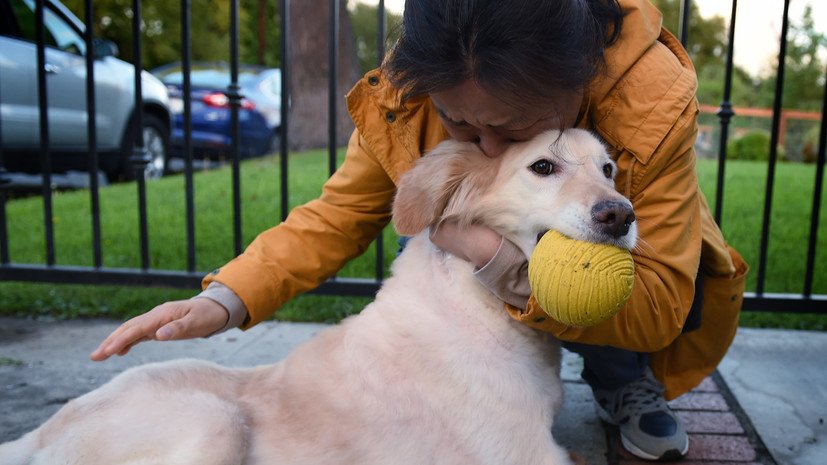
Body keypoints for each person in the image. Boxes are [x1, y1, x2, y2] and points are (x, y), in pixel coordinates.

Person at [91, 0, 747, 461]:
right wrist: (224, 297)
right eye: (461, 122)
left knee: (609, 261)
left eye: (512, 129)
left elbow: (660, 299)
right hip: (475, 278)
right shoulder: (415, 84)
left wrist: (494, 257)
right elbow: (338, 213)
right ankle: (448, 403)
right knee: (431, 233)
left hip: (626, 261)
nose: (486, 144)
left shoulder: (650, 95)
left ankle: (619, 377)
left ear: (580, 81)